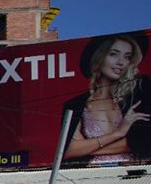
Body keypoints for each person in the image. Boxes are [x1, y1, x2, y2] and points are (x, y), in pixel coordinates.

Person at [63, 32, 151, 166]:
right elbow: (67, 151)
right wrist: (119, 133)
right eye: (113, 54)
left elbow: (142, 142)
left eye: (127, 57)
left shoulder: (137, 93)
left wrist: (85, 148)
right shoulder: (76, 104)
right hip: (88, 175)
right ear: (99, 56)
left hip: (134, 172)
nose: (121, 62)